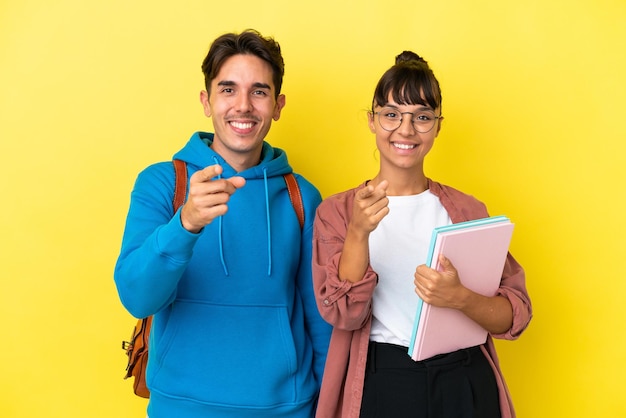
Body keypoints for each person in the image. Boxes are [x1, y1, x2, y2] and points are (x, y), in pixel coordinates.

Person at [114, 29, 331, 418]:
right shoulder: (164, 183)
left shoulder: (302, 196)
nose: (243, 106)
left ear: (278, 105)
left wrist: (329, 407)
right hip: (181, 409)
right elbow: (137, 298)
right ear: (206, 100)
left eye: (259, 91)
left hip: (287, 409)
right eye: (228, 89)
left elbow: (319, 318)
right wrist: (186, 224)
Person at [312, 51, 532, 418]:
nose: (406, 130)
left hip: (465, 381)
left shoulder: (468, 211)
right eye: (392, 114)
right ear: (372, 120)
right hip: (384, 381)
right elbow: (343, 314)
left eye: (422, 117)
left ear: (438, 125)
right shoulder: (337, 212)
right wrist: (358, 233)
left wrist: (462, 298)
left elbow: (515, 316)